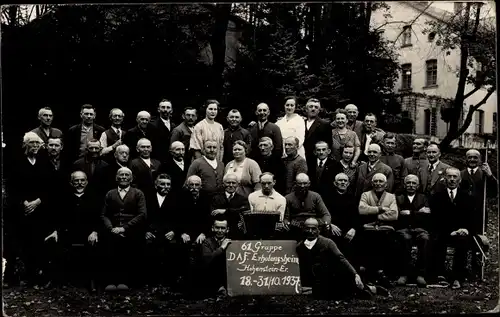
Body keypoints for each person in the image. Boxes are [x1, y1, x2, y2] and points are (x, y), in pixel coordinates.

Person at [44, 171, 100, 292]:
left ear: (87, 182)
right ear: (71, 183)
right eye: (76, 181)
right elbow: (57, 217)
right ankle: (56, 279)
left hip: (87, 233)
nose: (79, 183)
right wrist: (55, 231)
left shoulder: (94, 197)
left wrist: (95, 231)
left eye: (82, 180)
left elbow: (99, 218)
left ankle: (91, 280)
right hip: (68, 232)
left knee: (95, 245)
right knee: (54, 243)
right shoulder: (64, 198)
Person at [10, 132, 51, 286]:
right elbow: (13, 186)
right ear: (25, 144)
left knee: (38, 242)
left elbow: (49, 187)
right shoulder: (17, 162)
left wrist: (38, 201)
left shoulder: (44, 162)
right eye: (32, 143)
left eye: (37, 144)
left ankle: (37, 274)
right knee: (24, 241)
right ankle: (25, 275)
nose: (35, 146)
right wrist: (24, 202)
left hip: (40, 207)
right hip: (23, 208)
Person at [295, 218, 368, 300]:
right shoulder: (300, 246)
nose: (310, 231)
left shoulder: (327, 243)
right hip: (314, 280)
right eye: (307, 228)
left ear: (318, 230)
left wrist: (355, 274)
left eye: (313, 229)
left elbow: (341, 259)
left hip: (330, 278)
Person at [101, 167, 147, 292]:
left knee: (127, 254)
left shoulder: (138, 193)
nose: (124, 177)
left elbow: (142, 214)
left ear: (131, 178)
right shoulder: (110, 193)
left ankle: (125, 281)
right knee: (111, 253)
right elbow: (104, 214)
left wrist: (124, 228)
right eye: (121, 175)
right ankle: (110, 281)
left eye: (127, 175)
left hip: (131, 230)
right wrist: (111, 228)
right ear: (116, 178)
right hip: (113, 229)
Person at [429, 167, 475, 289]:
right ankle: (440, 275)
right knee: (437, 240)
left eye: (455, 177)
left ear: (459, 180)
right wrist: (449, 231)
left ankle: (457, 277)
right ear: (445, 178)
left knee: (462, 242)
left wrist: (464, 229)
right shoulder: (436, 196)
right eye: (449, 176)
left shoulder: (467, 196)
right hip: (443, 231)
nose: (452, 179)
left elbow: (471, 217)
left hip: (460, 231)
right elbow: (435, 218)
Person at [358, 173, 398, 287]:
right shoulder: (365, 195)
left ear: (386, 184)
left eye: (381, 181)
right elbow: (362, 210)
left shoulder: (391, 197)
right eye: (376, 181)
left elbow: (394, 214)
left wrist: (373, 216)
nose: (378, 183)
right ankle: (375, 273)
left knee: (386, 241)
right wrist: (380, 209)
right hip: (369, 229)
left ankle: (380, 272)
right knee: (368, 241)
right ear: (372, 183)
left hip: (386, 228)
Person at [144, 174, 181, 288]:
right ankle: (151, 281)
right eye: (163, 184)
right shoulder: (148, 198)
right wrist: (145, 231)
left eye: (168, 184)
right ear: (156, 185)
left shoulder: (176, 199)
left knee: (171, 251)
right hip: (152, 232)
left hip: (169, 233)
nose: (166, 187)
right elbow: (142, 216)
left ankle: (169, 282)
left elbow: (181, 218)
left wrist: (174, 231)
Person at [395, 175, 431, 287]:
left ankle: (420, 274)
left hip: (420, 228)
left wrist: (410, 213)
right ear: (404, 185)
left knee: (425, 239)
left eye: (414, 183)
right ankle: (404, 273)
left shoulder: (423, 197)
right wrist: (418, 212)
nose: (411, 185)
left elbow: (427, 215)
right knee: (406, 239)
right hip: (403, 228)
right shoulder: (398, 197)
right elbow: (398, 215)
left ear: (418, 185)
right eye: (408, 183)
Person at [190, 217, 232, 298]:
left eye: (223, 228)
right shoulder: (207, 242)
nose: (220, 230)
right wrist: (222, 248)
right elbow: (208, 259)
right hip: (211, 276)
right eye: (217, 227)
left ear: (227, 230)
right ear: (213, 228)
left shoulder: (231, 242)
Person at [283, 174, 333, 241]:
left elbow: (326, 214)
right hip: (296, 226)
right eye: (300, 184)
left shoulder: (315, 196)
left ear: (309, 183)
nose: (302, 186)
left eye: (305, 183)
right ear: (295, 184)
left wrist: (327, 223)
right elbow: (286, 216)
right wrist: (286, 222)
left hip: (313, 225)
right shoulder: (288, 198)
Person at [323, 173, 360, 261]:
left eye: (345, 181)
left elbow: (357, 217)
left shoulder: (353, 198)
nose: (343, 182)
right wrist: (330, 224)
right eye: (340, 180)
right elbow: (323, 214)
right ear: (335, 183)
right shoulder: (327, 197)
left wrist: (353, 229)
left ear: (348, 184)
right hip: (333, 229)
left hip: (349, 231)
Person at [460, 149, 497, 237]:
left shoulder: (485, 175)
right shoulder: (460, 174)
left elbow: (494, 193)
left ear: (480, 159)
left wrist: (490, 176)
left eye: (475, 157)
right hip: (462, 212)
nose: (472, 159)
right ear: (466, 159)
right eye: (470, 157)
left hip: (479, 213)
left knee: (478, 240)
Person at [247, 173, 287, 238]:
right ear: (260, 183)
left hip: (273, 233)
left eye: (269, 183)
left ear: (274, 182)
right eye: (263, 183)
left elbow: (280, 220)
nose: (266, 186)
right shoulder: (252, 196)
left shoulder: (281, 199)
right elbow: (249, 218)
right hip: (255, 231)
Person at [210, 174, 250, 239]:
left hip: (236, 233)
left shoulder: (243, 199)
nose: (231, 185)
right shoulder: (216, 198)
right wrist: (235, 212)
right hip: (219, 232)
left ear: (237, 184)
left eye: (233, 183)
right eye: (228, 183)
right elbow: (214, 214)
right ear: (223, 184)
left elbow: (245, 212)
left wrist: (225, 211)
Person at [303, 98, 332, 165]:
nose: (313, 109)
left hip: (316, 159)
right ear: (306, 109)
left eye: (316, 107)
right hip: (302, 157)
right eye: (311, 107)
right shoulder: (301, 123)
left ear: (319, 110)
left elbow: (328, 143)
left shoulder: (325, 124)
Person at [276, 96, 306, 160]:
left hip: (296, 153)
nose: (289, 107)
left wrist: (290, 151)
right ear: (284, 106)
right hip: (283, 153)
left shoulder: (300, 120)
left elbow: (300, 139)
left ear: (295, 107)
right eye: (287, 105)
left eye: (292, 105)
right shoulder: (279, 122)